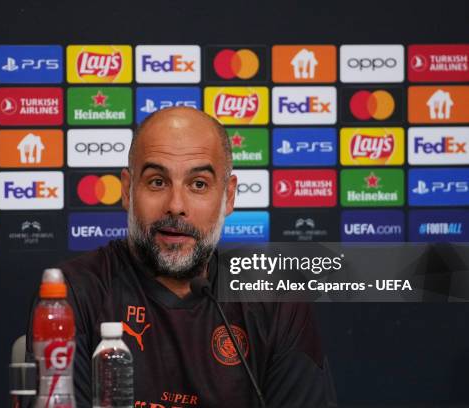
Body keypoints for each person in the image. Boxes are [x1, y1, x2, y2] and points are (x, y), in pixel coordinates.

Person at [27, 107, 337, 407]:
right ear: (127, 190)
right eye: (157, 182)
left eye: (198, 184)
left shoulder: (275, 301)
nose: (176, 205)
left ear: (228, 196)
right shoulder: (73, 294)